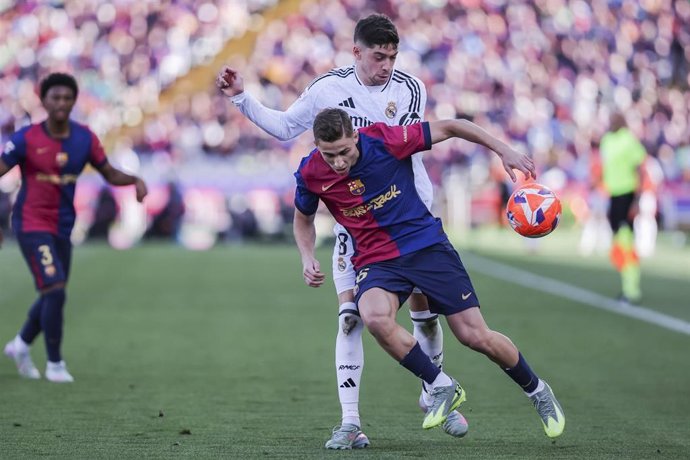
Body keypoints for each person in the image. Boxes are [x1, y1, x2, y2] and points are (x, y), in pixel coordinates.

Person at [216, 14, 466, 447]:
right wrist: (241, 98)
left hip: (409, 218)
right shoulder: (327, 89)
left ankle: (433, 390)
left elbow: (389, 148)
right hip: (356, 228)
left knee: (425, 314)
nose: (385, 64)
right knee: (350, 319)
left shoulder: (410, 88)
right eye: (377, 55)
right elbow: (284, 127)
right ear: (356, 52)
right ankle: (351, 422)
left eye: (392, 56)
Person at [293, 108, 565, 439]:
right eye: (329, 155)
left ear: (355, 136)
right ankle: (441, 385)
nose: (337, 162)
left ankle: (537, 391)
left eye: (344, 152)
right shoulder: (310, 172)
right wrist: (307, 256)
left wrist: (502, 149)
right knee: (374, 318)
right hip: (377, 259)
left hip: (425, 247)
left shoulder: (385, 140)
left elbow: (452, 126)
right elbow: (302, 218)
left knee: (473, 335)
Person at [0, 72, 148, 383]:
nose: (62, 103)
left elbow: (108, 172)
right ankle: (55, 364)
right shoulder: (26, 139)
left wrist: (134, 179)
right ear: (44, 101)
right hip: (30, 223)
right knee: (53, 289)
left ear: (74, 101)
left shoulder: (84, 138)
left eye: (67, 98)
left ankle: (21, 345)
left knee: (55, 292)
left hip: (63, 225)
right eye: (55, 97)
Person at [599, 113, 647, 303]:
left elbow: (640, 169)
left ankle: (631, 288)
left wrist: (636, 200)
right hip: (613, 195)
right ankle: (627, 284)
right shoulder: (607, 140)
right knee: (618, 245)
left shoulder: (629, 140)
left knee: (626, 243)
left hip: (627, 194)